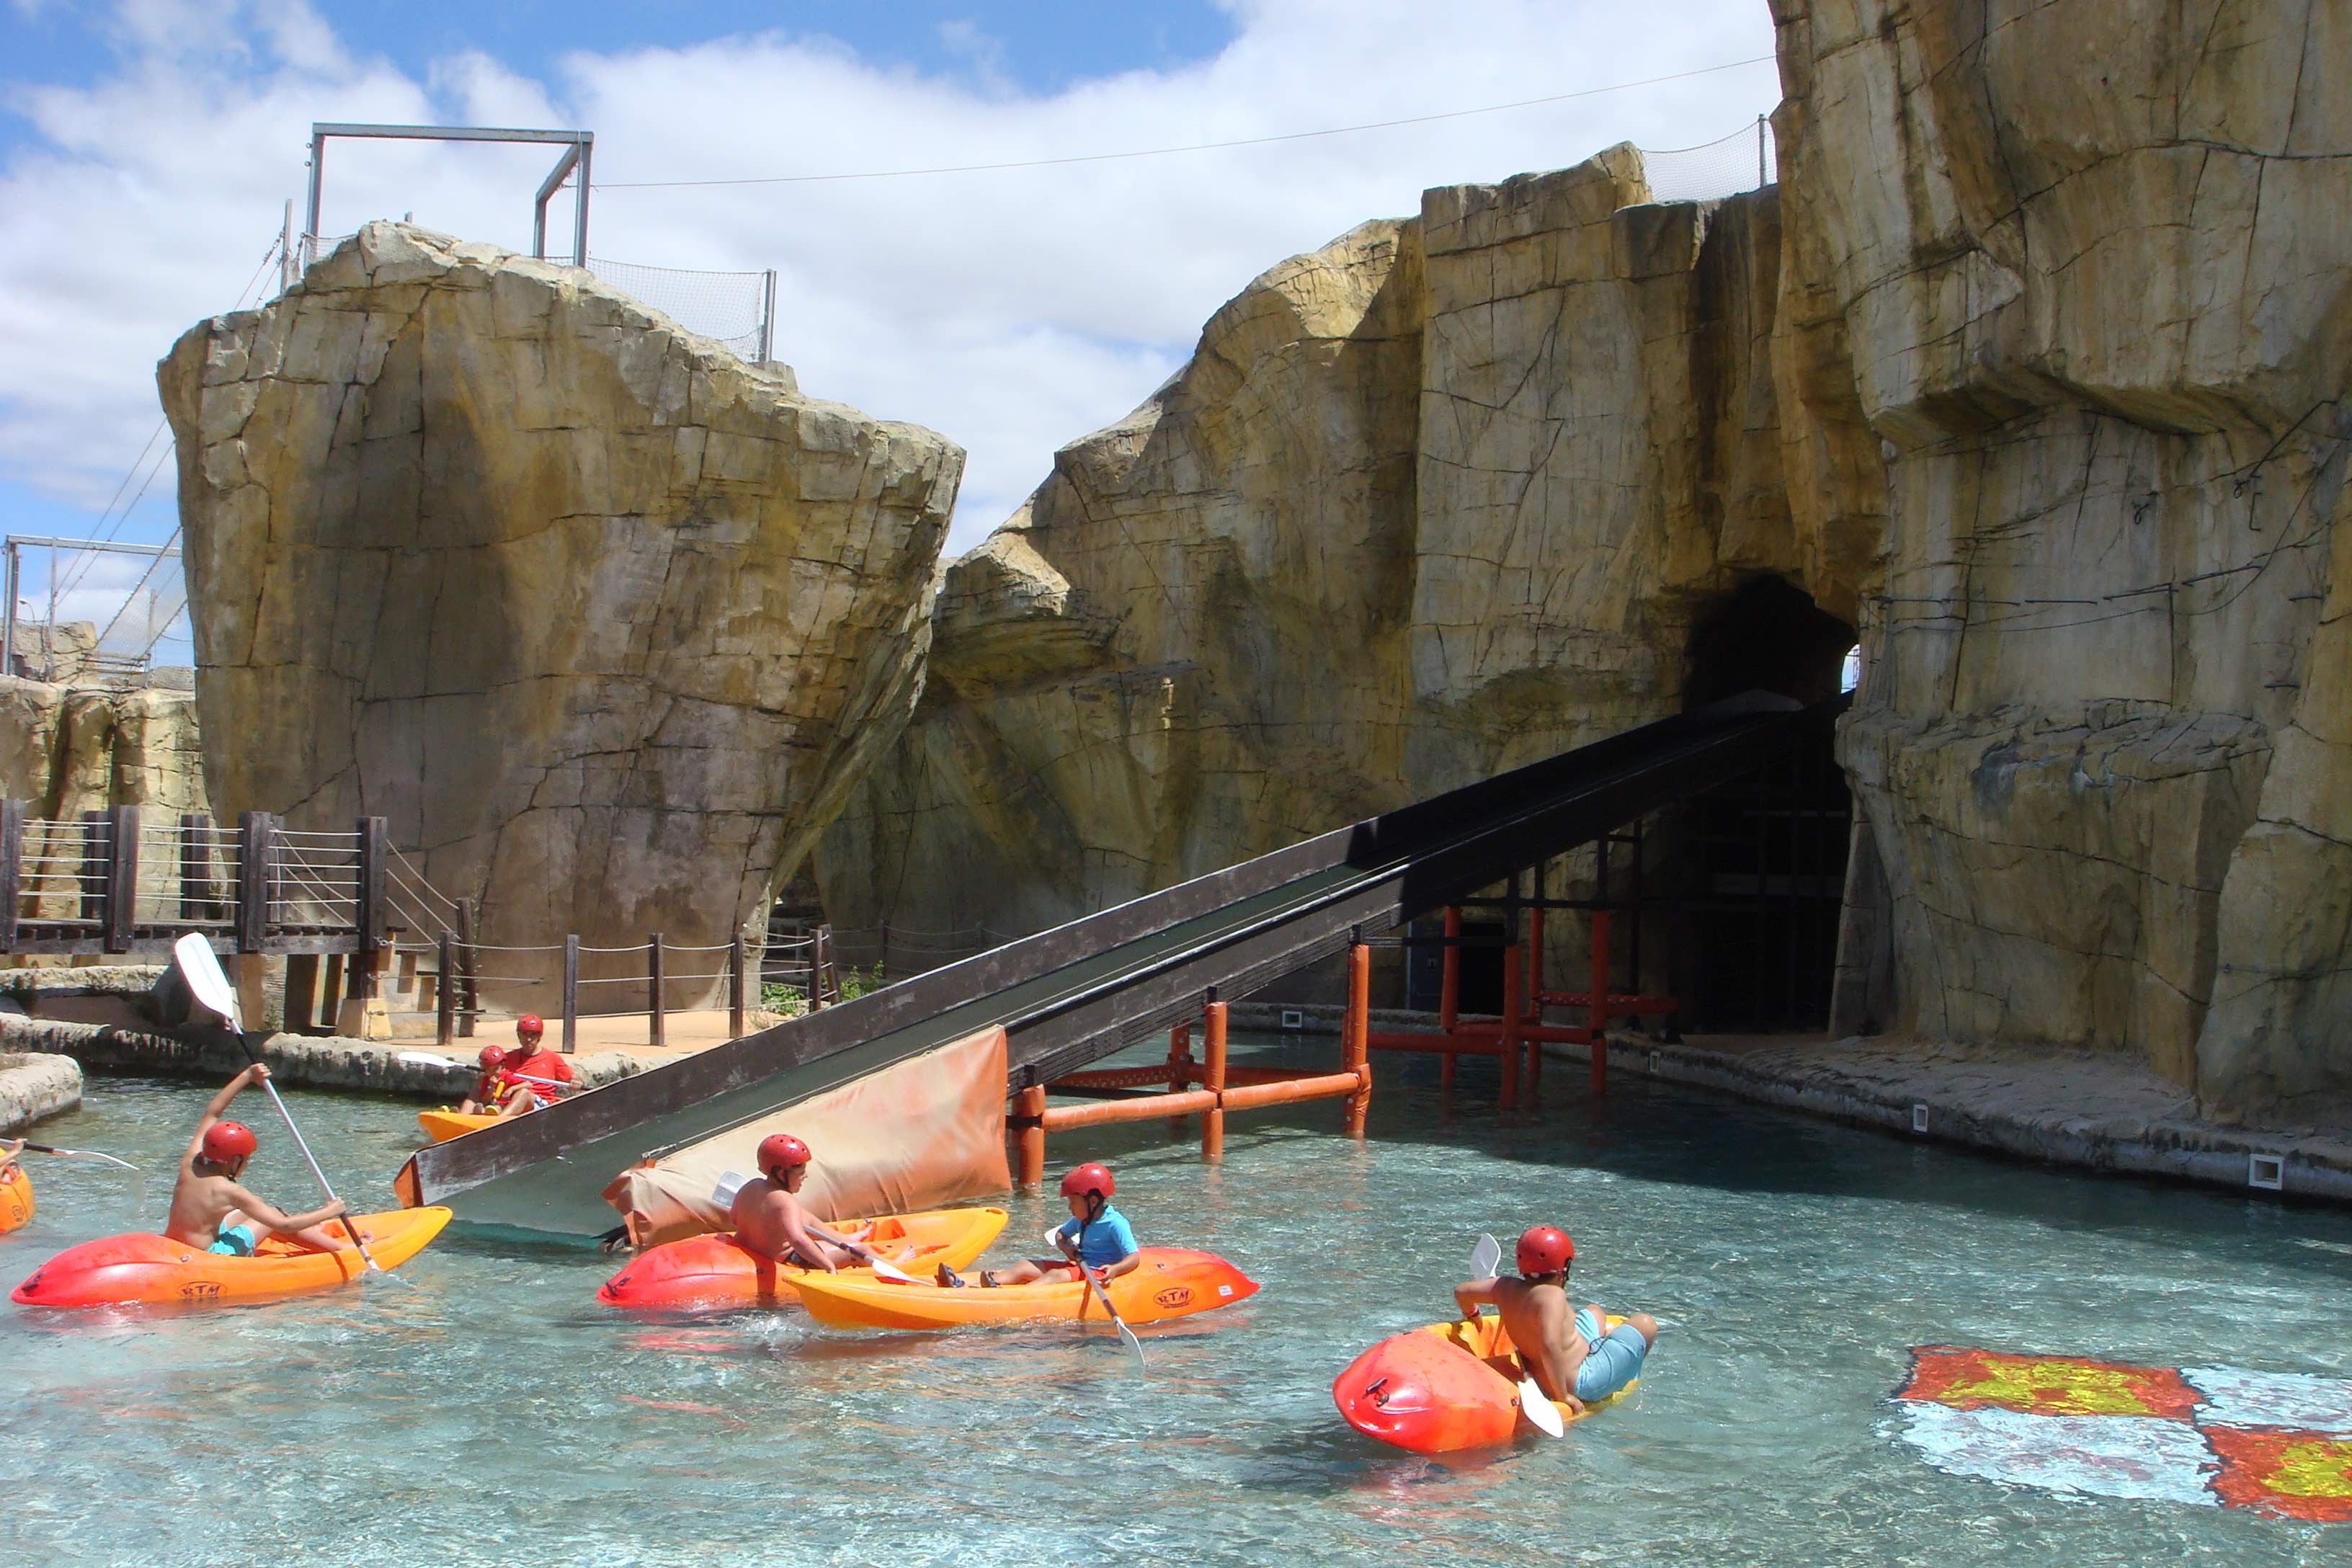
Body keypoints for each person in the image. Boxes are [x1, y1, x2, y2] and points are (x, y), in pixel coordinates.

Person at [1453, 1225, 1657, 1415]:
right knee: (1645, 1323)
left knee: (1595, 1311)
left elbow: (1462, 1292)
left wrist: (1473, 1315)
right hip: (1580, 1381)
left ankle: (1602, 1348)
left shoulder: (1503, 1286)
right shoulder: (1553, 1296)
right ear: (1564, 1269)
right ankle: (1626, 1376)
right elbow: (1549, 1345)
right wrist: (1563, 1397)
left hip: (1540, 1369)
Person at [162, 1063, 350, 1256]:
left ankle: (312, 1233)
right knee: (274, 1214)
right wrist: (329, 1211)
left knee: (256, 1207)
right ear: (234, 1160)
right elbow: (284, 1225)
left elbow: (213, 1112)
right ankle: (341, 1249)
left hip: (174, 1244)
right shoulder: (230, 1190)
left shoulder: (191, 1163)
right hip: (208, 1255)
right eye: (246, 1158)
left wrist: (247, 1075)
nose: (248, 1163)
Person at [939, 1162, 1138, 1289]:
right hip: (1080, 1266)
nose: (1070, 1208)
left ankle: (1014, 1298)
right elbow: (1061, 1234)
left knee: (1055, 1275)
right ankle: (967, 1285)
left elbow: (1133, 1257)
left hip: (1097, 1272)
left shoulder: (1116, 1223)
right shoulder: (1082, 1219)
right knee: (1024, 1265)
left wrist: (1115, 1269)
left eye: (1073, 1203)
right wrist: (1066, 1247)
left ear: (1092, 1201)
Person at [728, 1133, 883, 1272]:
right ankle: (895, 1263)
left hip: (753, 1249)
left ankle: (844, 1239)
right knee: (860, 1250)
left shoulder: (751, 1186)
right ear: (781, 1173)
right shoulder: (786, 1201)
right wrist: (828, 1266)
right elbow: (798, 1240)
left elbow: (734, 1218)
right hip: (789, 1260)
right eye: (801, 1173)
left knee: (802, 1216)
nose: (806, 1176)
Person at [491, 1015, 575, 1119]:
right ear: (518, 1035)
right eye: (524, 1034)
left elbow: (573, 1078)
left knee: (524, 1093)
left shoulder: (552, 1058)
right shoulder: (508, 1058)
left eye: (533, 1035)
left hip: (541, 1104)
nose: (529, 1039)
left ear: (540, 1036)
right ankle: (466, 1118)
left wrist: (576, 1081)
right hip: (509, 1100)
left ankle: (497, 1122)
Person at [455, 1044, 507, 1115]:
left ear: (503, 1066)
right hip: (489, 1104)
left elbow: (526, 1084)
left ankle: (481, 1113)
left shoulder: (508, 1076)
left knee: (497, 1108)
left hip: (502, 1106)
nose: (491, 1072)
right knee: (483, 1105)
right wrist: (491, 1088)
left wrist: (512, 1089)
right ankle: (461, 1115)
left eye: (495, 1069)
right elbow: (485, 1101)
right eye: (488, 1069)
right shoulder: (485, 1079)